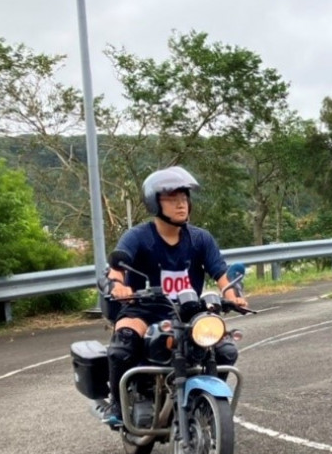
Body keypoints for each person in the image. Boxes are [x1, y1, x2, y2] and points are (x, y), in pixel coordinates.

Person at [102, 166, 247, 427]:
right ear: (155, 203)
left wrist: (232, 294)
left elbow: (221, 272)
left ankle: (207, 406)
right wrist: (118, 285)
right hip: (142, 309)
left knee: (224, 349)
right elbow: (117, 268)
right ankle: (117, 404)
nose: (181, 205)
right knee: (123, 344)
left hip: (189, 312)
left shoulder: (201, 239)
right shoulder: (138, 237)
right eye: (172, 199)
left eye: (184, 198)